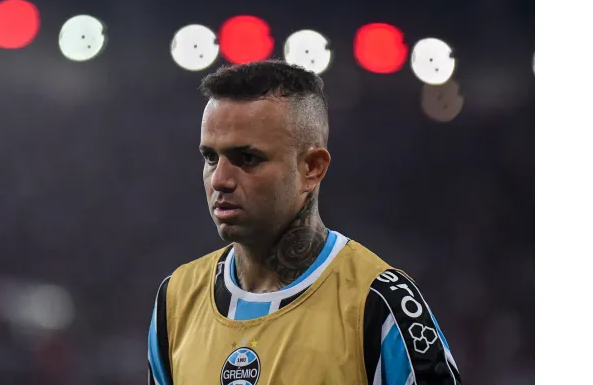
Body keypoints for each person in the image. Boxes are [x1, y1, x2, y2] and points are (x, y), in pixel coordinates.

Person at [147, 60, 461, 385]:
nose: (220, 180)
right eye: (211, 157)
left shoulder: (379, 304)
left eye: (248, 158)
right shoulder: (175, 300)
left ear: (312, 168)